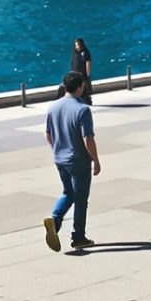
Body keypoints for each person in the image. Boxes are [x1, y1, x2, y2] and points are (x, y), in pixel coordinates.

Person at [41, 71, 100, 253]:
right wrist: (95, 160)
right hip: (78, 160)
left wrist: (57, 150)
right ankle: (78, 237)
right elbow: (87, 138)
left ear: (65, 86)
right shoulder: (82, 109)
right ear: (80, 87)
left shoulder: (53, 107)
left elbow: (48, 134)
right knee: (81, 199)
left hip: (60, 158)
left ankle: (55, 219)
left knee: (68, 192)